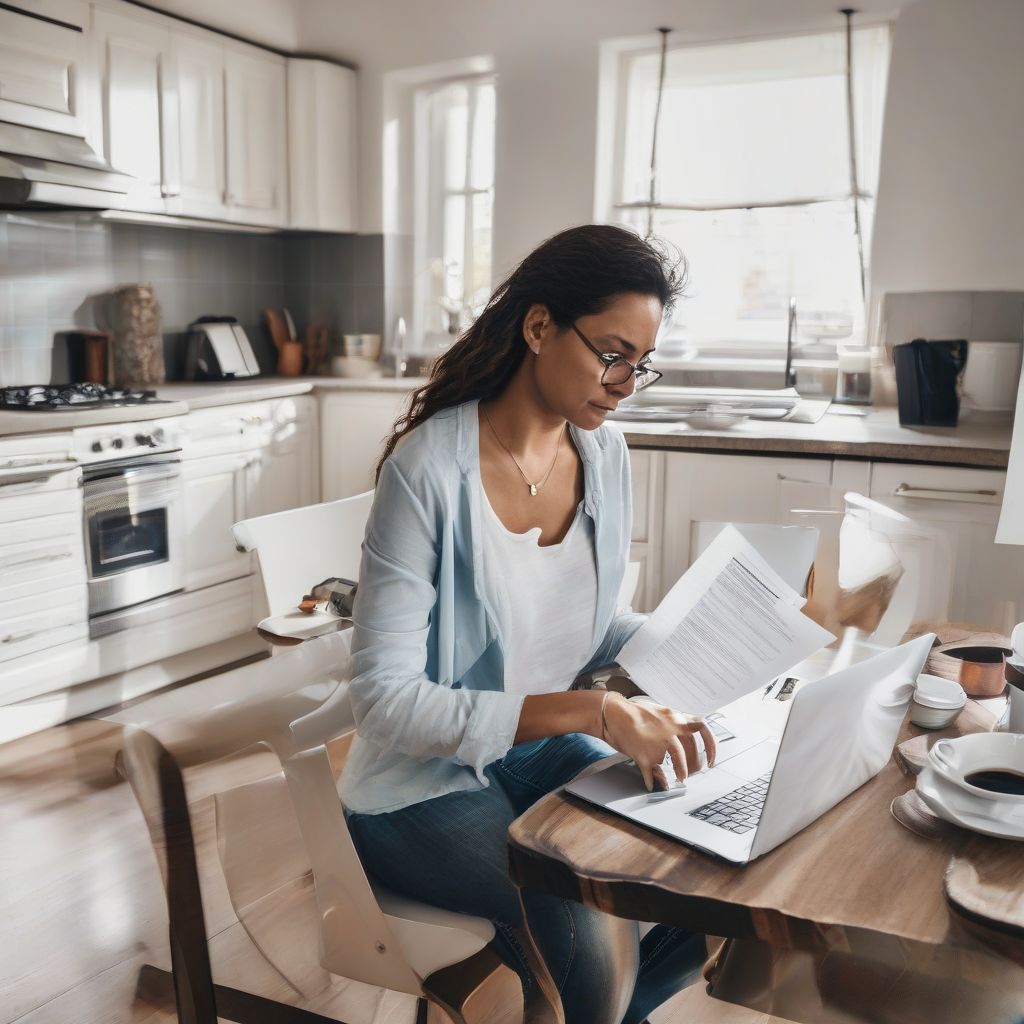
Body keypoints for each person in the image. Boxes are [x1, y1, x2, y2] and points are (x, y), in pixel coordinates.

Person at [341, 224, 717, 1024]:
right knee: (584, 920)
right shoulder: (427, 472)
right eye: (611, 353)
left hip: (533, 747)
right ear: (540, 326)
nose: (623, 382)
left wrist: (717, 636)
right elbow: (382, 701)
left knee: (699, 869)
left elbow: (588, 622)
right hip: (415, 784)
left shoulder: (605, 455)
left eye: (639, 365)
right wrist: (599, 711)